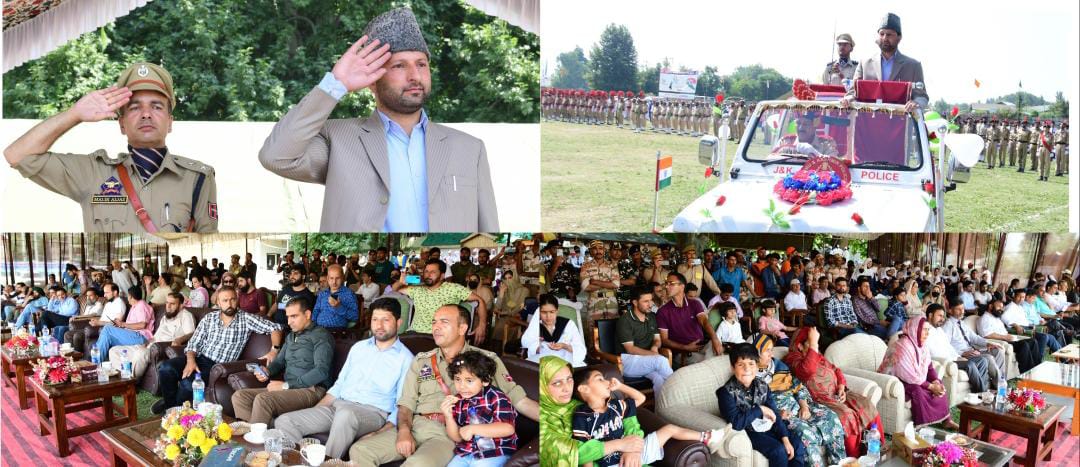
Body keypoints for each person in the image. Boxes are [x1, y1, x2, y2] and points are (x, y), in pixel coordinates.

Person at [259, 7, 497, 231]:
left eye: (421, 64)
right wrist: (335, 84)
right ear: (372, 80)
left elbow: (489, 232)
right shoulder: (338, 139)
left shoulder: (470, 149)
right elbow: (276, 156)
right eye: (399, 66)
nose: (415, 76)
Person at [4, 62, 217, 232]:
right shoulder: (93, 173)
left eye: (156, 106)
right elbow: (17, 154)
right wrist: (74, 115)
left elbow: (207, 245)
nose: (146, 114)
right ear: (122, 124)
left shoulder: (197, 178)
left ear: (170, 122)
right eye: (135, 107)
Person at [348, 304, 539, 465]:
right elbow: (406, 404)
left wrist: (557, 421)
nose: (436, 327)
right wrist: (404, 432)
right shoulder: (421, 361)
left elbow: (519, 400)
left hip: (447, 434)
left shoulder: (485, 360)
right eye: (434, 322)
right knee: (360, 450)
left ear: (463, 328)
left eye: (444, 322)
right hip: (415, 424)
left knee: (416, 464)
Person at [274, 297, 413, 460]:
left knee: (346, 415)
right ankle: (302, 462)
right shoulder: (358, 348)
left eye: (386, 320)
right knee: (285, 421)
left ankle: (326, 463)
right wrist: (316, 410)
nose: (379, 325)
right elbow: (339, 386)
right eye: (375, 319)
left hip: (373, 413)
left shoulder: (406, 359)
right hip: (339, 407)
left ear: (398, 322)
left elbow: (402, 404)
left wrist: (380, 432)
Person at [152, 286, 283, 414]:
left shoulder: (246, 318)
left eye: (233, 299)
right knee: (165, 368)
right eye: (225, 300)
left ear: (237, 300)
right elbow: (193, 343)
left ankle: (176, 413)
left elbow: (276, 327)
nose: (230, 304)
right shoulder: (209, 318)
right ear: (218, 303)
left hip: (217, 366)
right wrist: (190, 361)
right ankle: (170, 407)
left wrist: (274, 349)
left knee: (188, 383)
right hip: (199, 358)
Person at [573, 367, 723, 467]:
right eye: (600, 379)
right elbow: (586, 451)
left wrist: (620, 387)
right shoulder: (582, 416)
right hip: (611, 463)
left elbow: (640, 399)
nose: (607, 382)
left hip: (636, 451)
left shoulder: (616, 406)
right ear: (584, 389)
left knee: (669, 429)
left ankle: (707, 437)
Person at [231, 297, 334, 425]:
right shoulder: (291, 336)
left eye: (294, 316)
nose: (289, 322)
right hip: (290, 389)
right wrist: (267, 370)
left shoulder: (320, 336)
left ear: (307, 315)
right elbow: (279, 362)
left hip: (312, 389)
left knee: (263, 399)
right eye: (288, 317)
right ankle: (261, 431)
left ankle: (255, 438)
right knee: (240, 397)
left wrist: (286, 386)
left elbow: (321, 371)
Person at [784, 327, 882, 457]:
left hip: (837, 393)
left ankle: (877, 450)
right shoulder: (792, 359)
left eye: (816, 343)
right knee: (847, 416)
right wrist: (813, 344)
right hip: (820, 400)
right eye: (812, 343)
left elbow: (836, 369)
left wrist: (841, 386)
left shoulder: (816, 355)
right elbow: (807, 370)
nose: (816, 348)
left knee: (866, 404)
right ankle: (855, 459)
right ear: (800, 346)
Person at [754, 335, 847, 467]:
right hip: (783, 414)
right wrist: (777, 413)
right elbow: (756, 405)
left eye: (772, 349)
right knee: (805, 434)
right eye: (767, 350)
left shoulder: (779, 366)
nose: (771, 353)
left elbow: (798, 386)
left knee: (831, 418)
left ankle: (839, 464)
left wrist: (804, 407)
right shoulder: (751, 376)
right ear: (756, 353)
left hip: (799, 404)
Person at [717, 343, 806, 467]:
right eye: (740, 365)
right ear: (733, 368)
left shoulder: (762, 385)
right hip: (748, 432)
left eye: (751, 364)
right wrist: (760, 409)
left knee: (796, 444)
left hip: (766, 426)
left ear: (757, 365)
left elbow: (774, 413)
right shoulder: (725, 393)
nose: (747, 369)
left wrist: (785, 438)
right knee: (778, 451)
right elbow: (736, 423)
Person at [440, 351, 518, 467]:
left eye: (469, 380)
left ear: (485, 380)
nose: (462, 386)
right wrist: (448, 416)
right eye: (457, 379)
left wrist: (473, 429)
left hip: (495, 453)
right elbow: (457, 437)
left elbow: (507, 428)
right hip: (466, 453)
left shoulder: (496, 398)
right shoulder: (458, 401)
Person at [878, 318, 957, 429]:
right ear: (915, 329)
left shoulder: (921, 345)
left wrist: (935, 381)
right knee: (917, 390)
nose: (927, 333)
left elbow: (929, 367)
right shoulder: (902, 345)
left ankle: (946, 420)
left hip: (914, 379)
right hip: (896, 380)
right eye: (924, 329)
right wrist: (930, 386)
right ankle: (921, 424)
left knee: (938, 383)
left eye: (928, 330)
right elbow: (908, 375)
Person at [842, 13, 928, 113]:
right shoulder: (865, 63)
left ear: (899, 37)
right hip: (866, 122)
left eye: (889, 34)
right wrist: (848, 99)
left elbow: (922, 96)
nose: (885, 38)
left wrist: (916, 103)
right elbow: (853, 91)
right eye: (882, 34)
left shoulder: (913, 66)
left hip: (901, 124)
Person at [394, 259, 488, 343]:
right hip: (414, 334)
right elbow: (394, 290)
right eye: (426, 271)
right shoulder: (417, 289)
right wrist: (400, 282)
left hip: (440, 337)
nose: (428, 275)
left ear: (442, 275)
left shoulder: (453, 288)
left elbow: (479, 300)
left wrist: (482, 325)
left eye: (433, 272)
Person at [109, 292, 194, 380]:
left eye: (172, 304)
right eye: (167, 303)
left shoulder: (186, 316)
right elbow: (156, 336)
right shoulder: (166, 316)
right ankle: (123, 378)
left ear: (181, 305)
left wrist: (179, 340)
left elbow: (191, 334)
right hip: (150, 346)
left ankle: (131, 382)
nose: (168, 306)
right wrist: (147, 342)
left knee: (140, 354)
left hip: (161, 349)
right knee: (114, 351)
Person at [615, 287, 673, 396]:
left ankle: (661, 409)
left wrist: (655, 347)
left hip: (647, 361)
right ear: (635, 302)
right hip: (627, 362)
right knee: (661, 360)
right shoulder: (625, 320)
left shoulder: (651, 317)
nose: (650, 304)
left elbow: (657, 339)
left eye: (651, 300)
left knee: (659, 379)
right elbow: (630, 349)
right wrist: (654, 355)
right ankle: (680, 391)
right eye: (646, 301)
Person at [657, 272, 723, 362]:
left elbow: (704, 321)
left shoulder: (695, 304)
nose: (667, 286)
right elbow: (664, 340)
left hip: (702, 346)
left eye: (671, 284)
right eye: (666, 284)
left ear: (682, 286)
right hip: (683, 353)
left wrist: (714, 338)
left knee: (722, 352)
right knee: (708, 363)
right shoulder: (663, 311)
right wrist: (685, 347)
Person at [941, 301, 1006, 388]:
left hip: (972, 350)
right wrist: (961, 353)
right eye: (958, 309)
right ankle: (1001, 387)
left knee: (997, 351)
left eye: (963, 309)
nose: (962, 311)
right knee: (989, 358)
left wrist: (988, 343)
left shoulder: (962, 323)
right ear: (950, 310)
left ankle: (999, 380)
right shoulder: (948, 326)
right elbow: (945, 345)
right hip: (964, 354)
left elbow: (974, 338)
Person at [977, 298, 1043, 373]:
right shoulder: (984, 318)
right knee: (1023, 345)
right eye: (999, 307)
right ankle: (1027, 372)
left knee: (1032, 341)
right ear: (990, 306)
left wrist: (1012, 337)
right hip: (999, 342)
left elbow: (1004, 332)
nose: (1001, 309)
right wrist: (1004, 337)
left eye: (1002, 307)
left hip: (1007, 339)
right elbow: (987, 335)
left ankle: (1037, 368)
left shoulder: (996, 318)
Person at [522, 294, 586, 367]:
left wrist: (564, 346)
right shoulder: (536, 326)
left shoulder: (568, 324)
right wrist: (537, 345)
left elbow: (580, 349)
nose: (548, 316)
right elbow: (526, 341)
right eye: (544, 312)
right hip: (543, 361)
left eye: (552, 312)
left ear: (557, 311)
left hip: (565, 360)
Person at [95, 285, 155, 360]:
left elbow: (142, 325)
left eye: (128, 295)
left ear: (131, 296)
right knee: (107, 337)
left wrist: (123, 324)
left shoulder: (142, 306)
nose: (127, 298)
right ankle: (97, 362)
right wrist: (120, 325)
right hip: (133, 335)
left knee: (108, 329)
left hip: (141, 337)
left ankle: (95, 362)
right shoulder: (135, 306)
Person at [312, 264, 359, 329]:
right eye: (331, 278)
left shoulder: (349, 294)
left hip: (336, 332)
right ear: (327, 278)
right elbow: (316, 310)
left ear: (342, 278)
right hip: (318, 329)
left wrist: (339, 307)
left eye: (337, 278)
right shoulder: (322, 293)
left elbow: (355, 316)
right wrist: (312, 324)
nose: (334, 282)